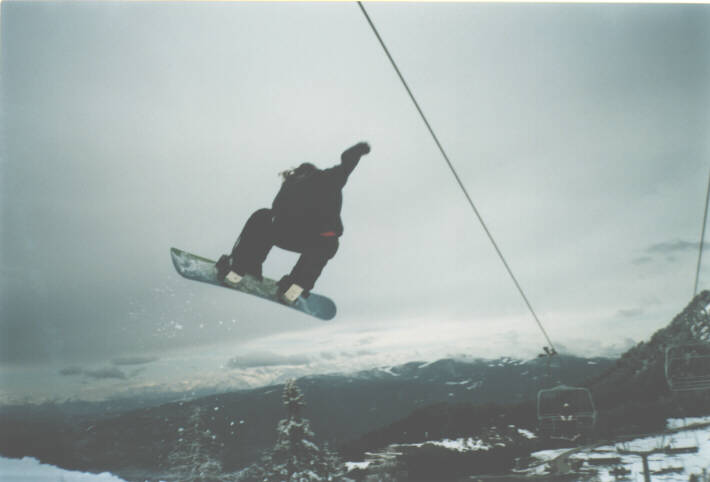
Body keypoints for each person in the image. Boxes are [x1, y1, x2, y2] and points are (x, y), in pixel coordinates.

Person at [216, 141, 371, 303]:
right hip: (315, 241)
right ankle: (295, 287)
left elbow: (274, 211)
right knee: (328, 242)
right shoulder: (327, 178)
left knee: (262, 216)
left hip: (284, 233)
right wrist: (358, 150)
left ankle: (242, 268)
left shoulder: (295, 182)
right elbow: (346, 165)